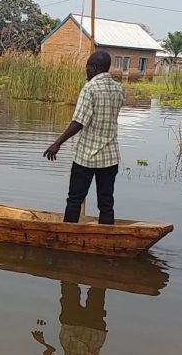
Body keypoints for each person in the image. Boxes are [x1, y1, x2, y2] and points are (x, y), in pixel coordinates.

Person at [43, 51, 124, 225]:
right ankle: (107, 236)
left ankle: (67, 235)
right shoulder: (118, 88)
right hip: (110, 156)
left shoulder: (90, 88)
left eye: (87, 67)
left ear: (94, 68)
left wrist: (57, 143)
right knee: (106, 202)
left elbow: (78, 122)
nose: (86, 71)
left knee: (74, 200)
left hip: (87, 156)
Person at [31, 282, 108, 355]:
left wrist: (43, 343)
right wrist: (43, 344)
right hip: (91, 332)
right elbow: (49, 354)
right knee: (96, 290)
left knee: (69, 287)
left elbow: (49, 353)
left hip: (74, 329)